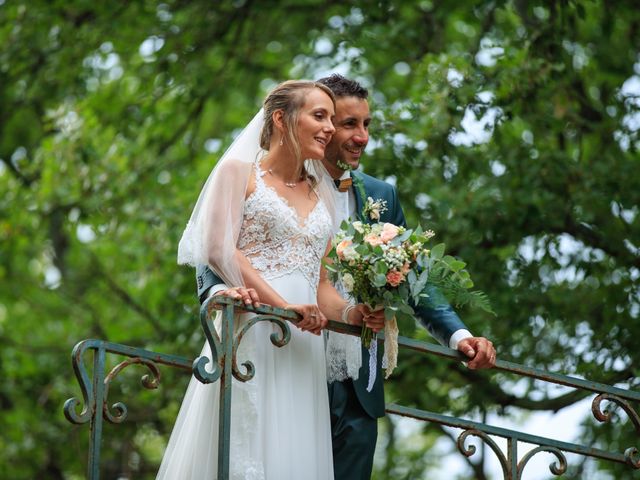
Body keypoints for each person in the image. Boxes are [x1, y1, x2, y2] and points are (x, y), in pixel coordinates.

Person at [197, 75, 497, 479]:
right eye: (347, 123)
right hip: (269, 343)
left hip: (353, 373)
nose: (361, 137)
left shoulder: (380, 196)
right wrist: (223, 295)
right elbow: (216, 251)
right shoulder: (247, 176)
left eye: (367, 125)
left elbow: (415, 279)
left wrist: (461, 337)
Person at [158, 80, 374, 480]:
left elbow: (321, 285)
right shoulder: (238, 173)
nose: (329, 128)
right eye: (319, 116)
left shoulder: (322, 193)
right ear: (281, 118)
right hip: (254, 329)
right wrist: (282, 307)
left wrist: (354, 313)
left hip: (303, 346)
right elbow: (219, 249)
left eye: (331, 118)